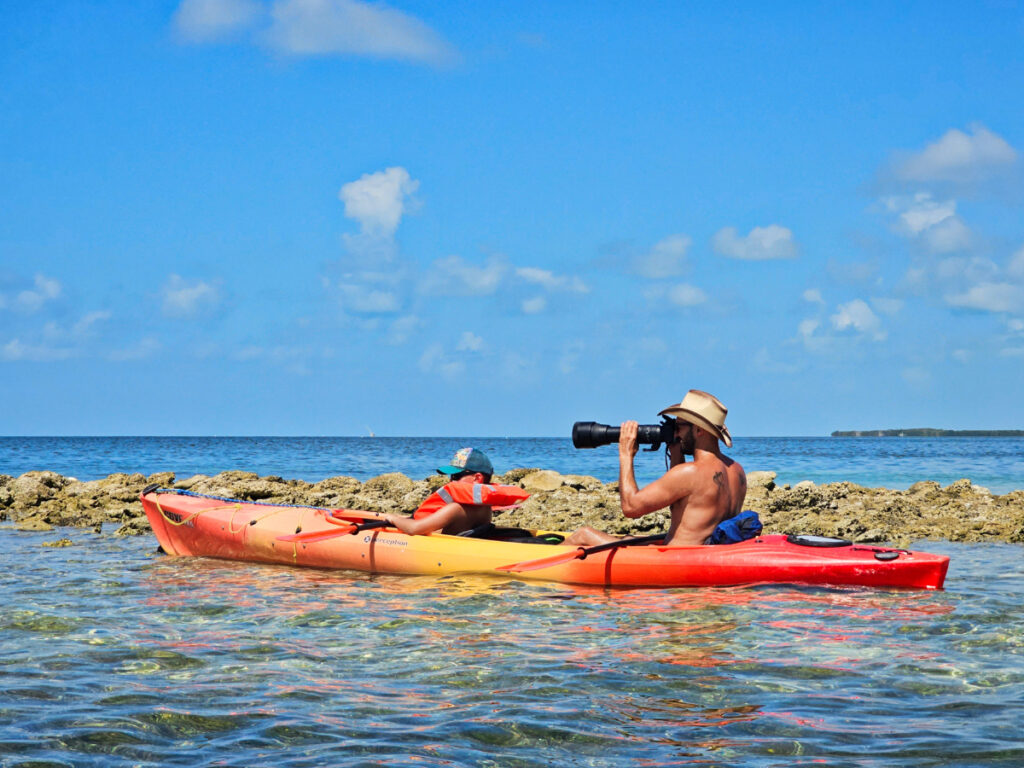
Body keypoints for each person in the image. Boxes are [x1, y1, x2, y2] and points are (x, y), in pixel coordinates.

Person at [565, 390, 747, 547]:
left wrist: (626, 454)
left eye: (679, 426)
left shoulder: (690, 473)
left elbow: (631, 507)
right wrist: (676, 451)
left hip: (677, 561)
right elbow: (685, 505)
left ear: (699, 430)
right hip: (706, 554)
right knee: (630, 538)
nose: (676, 432)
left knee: (583, 534)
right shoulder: (736, 471)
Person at [372, 447, 528, 536]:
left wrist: (391, 518)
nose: (451, 481)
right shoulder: (485, 509)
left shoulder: (455, 509)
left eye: (456, 475)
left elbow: (414, 529)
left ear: (477, 478)